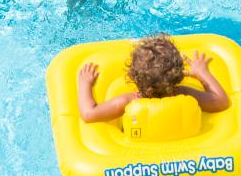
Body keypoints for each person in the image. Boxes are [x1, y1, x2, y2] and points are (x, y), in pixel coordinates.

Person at [77, 34, 229, 122]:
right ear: (179, 74)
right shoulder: (184, 94)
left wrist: (85, 84)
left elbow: (89, 114)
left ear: (132, 76)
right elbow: (221, 102)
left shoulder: (128, 101)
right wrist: (202, 73)